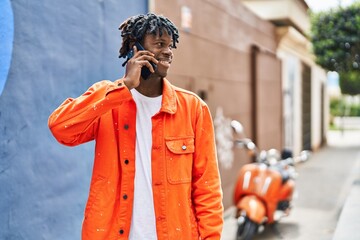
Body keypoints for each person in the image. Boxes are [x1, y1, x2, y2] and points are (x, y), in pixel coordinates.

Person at [48, 13, 223, 240]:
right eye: (160, 44)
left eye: (171, 46)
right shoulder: (107, 99)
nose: (168, 52)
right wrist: (124, 86)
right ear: (135, 48)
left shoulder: (193, 108)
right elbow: (61, 128)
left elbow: (207, 188)